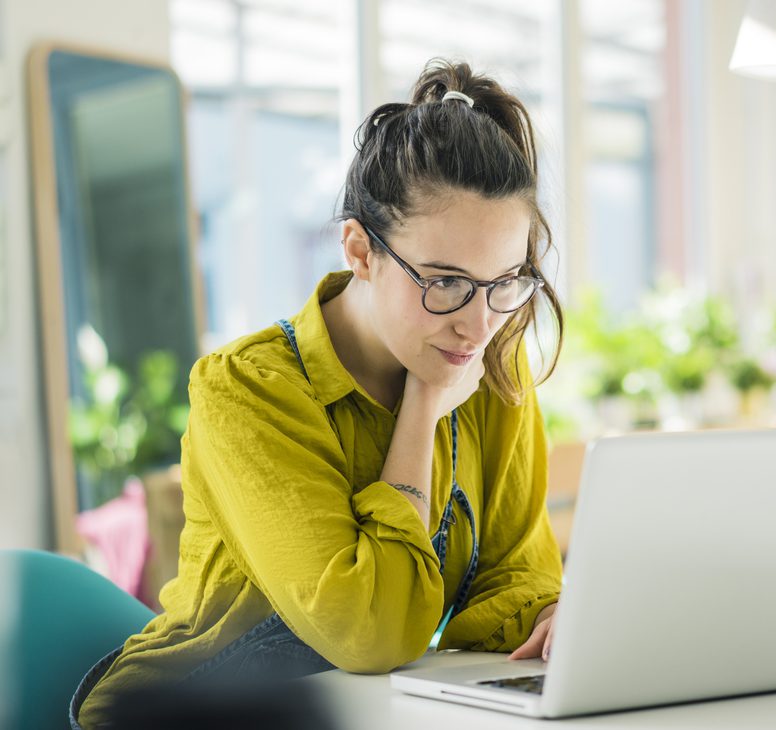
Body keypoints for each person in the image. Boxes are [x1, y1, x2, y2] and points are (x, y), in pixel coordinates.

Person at [72, 58, 564, 729]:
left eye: (505, 282)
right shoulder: (245, 391)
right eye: (445, 282)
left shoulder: (485, 366)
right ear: (360, 251)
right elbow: (371, 631)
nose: (478, 323)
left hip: (363, 710)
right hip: (192, 713)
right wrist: (424, 406)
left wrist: (549, 615)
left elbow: (516, 570)